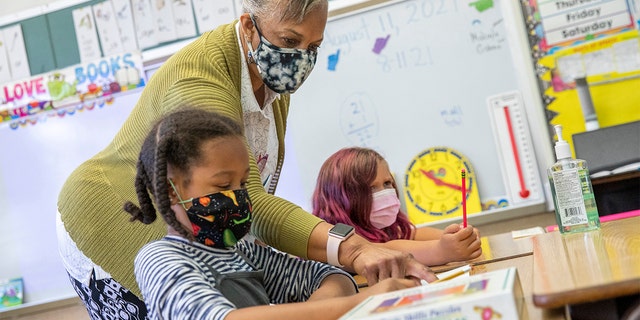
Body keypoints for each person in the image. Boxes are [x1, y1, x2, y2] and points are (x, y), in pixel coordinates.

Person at [56, 0, 434, 318]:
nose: (301, 57)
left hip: (208, 238)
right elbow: (258, 206)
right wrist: (353, 255)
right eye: (290, 40)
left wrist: (338, 294)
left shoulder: (272, 75)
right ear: (249, 28)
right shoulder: (198, 77)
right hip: (112, 222)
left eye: (313, 46)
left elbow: (318, 272)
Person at [127, 108, 419, 319]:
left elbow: (332, 277)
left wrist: (311, 312)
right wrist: (361, 302)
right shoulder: (159, 260)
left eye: (242, 184)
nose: (238, 195)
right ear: (169, 191)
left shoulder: (241, 251)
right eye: (223, 184)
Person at [312, 147, 482, 266]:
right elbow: (385, 251)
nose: (385, 192)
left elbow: (411, 234)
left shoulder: (383, 228)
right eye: (371, 188)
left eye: (387, 183)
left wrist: (457, 238)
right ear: (341, 197)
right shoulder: (335, 238)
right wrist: (441, 250)